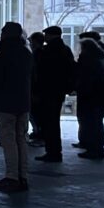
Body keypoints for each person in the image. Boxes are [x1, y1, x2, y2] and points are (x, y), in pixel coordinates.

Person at [0, 22, 33, 193]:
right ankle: (22, 176)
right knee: (21, 140)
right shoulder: (26, 53)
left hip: (5, 104)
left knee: (8, 141)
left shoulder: (2, 53)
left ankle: (12, 177)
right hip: (23, 103)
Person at [33, 26, 76, 163]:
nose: (45, 37)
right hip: (58, 90)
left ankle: (53, 152)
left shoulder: (48, 50)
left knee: (49, 122)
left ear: (51, 35)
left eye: (46, 34)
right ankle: (54, 151)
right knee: (53, 121)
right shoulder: (65, 49)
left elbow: (41, 72)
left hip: (47, 90)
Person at [75, 34, 104, 160]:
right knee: (97, 123)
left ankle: (94, 149)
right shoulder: (101, 59)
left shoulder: (89, 61)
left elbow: (86, 79)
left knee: (92, 124)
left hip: (91, 97)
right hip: (100, 97)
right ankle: (96, 148)